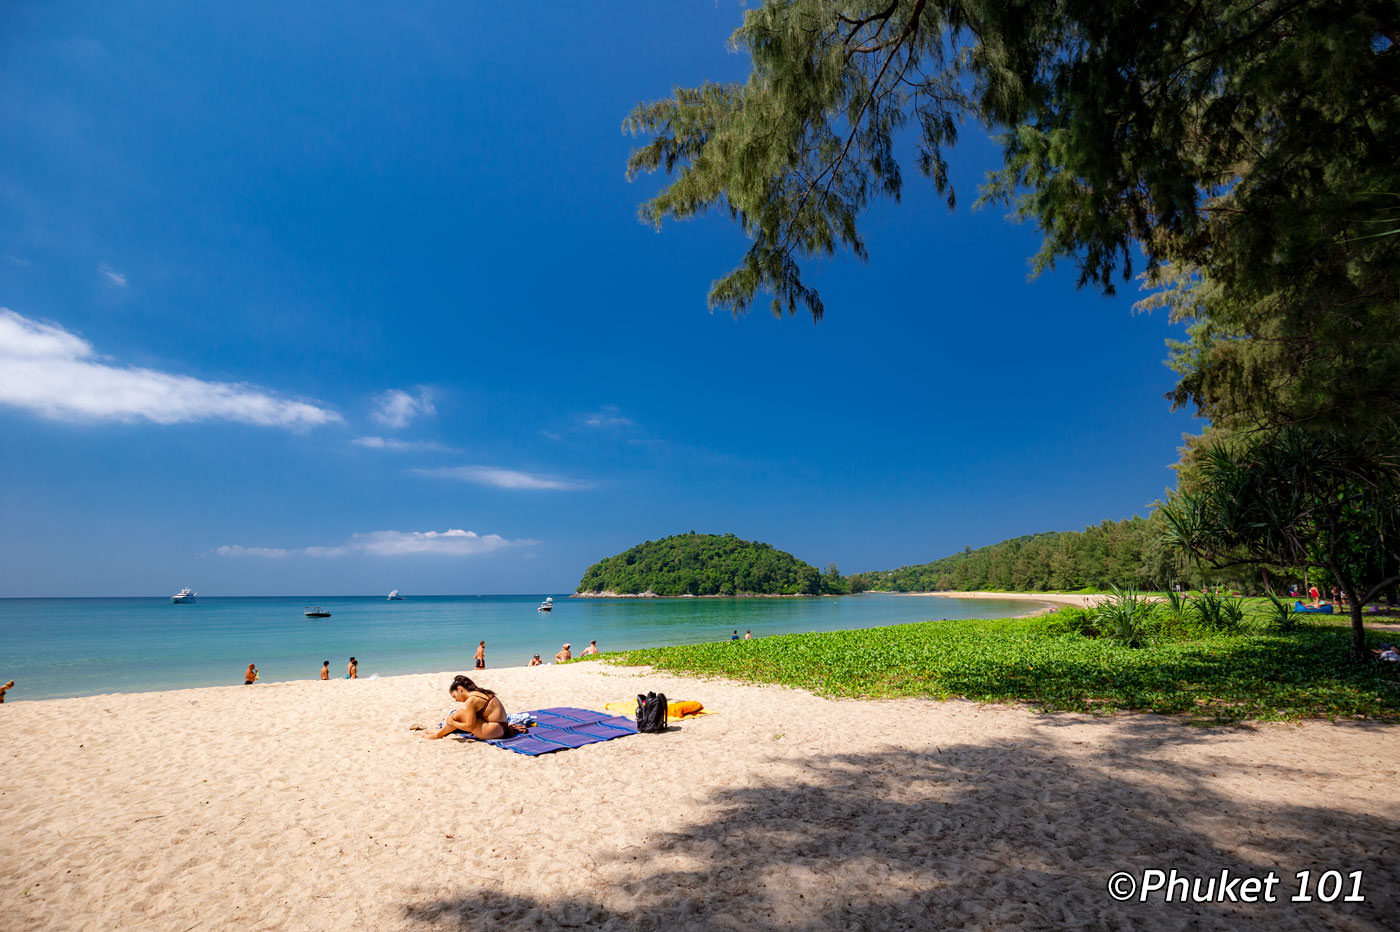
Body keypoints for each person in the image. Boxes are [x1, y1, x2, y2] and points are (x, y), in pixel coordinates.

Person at [424, 675, 517, 741]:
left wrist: (453, 723)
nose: (456, 700)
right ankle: (440, 732)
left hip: (495, 730)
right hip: (501, 727)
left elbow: (470, 727)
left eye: (454, 696)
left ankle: (438, 734)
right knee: (459, 713)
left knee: (458, 715)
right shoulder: (481, 692)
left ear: (460, 689)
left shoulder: (471, 701)